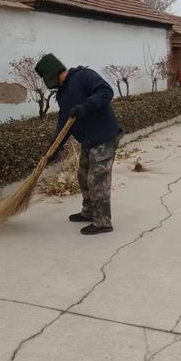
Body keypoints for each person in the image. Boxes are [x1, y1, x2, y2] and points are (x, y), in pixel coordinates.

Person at [35, 53, 123, 236]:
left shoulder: (84, 76)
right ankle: (89, 211)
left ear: (52, 73)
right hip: (88, 140)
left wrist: (85, 106)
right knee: (83, 176)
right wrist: (53, 148)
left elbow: (106, 92)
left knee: (97, 180)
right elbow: (64, 124)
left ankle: (103, 222)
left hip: (104, 135)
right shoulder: (62, 94)